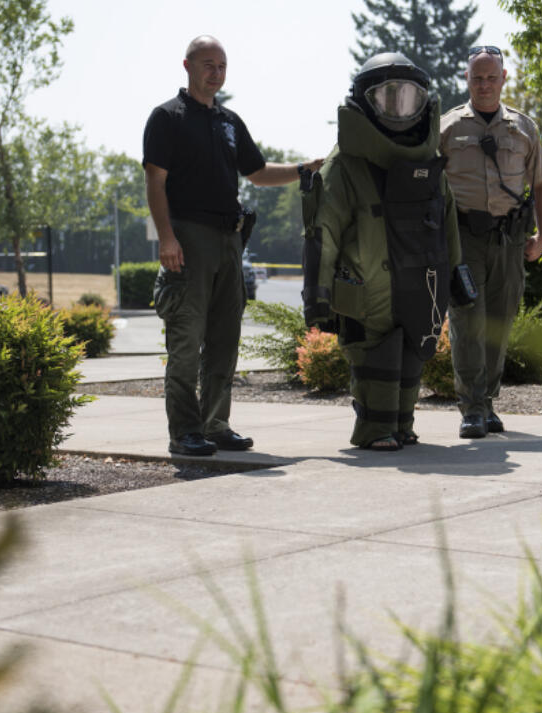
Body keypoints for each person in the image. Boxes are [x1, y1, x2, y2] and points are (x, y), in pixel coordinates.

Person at [143, 35, 322, 456]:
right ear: (186, 66)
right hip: (187, 238)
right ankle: (185, 431)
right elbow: (155, 180)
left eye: (221, 66)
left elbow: (257, 172)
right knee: (186, 341)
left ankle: (215, 424)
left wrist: (302, 168)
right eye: (207, 64)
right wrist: (166, 238)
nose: (215, 72)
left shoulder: (229, 122)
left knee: (225, 338)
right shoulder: (166, 117)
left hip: (229, 241)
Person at [303, 52, 473, 451]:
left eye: (409, 100)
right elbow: (321, 233)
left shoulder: (428, 164)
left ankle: (401, 423)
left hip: (419, 286)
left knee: (414, 351)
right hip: (365, 291)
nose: (399, 111)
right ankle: (374, 428)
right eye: (388, 98)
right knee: (374, 356)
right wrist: (319, 298)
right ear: (365, 101)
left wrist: (457, 275)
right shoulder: (344, 165)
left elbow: (448, 222)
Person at [439, 45, 542, 439]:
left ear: (504, 78)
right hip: (464, 238)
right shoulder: (447, 128)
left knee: (499, 324)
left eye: (491, 77)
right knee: (468, 322)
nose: (484, 85)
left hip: (509, 239)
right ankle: (471, 408)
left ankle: (487, 402)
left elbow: (540, 184)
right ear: (466, 80)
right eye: (476, 78)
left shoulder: (523, 128)